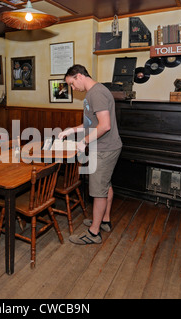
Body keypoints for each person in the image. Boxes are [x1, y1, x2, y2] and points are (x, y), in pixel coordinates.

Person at [59, 64, 122, 245]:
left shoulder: (96, 93)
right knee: (105, 185)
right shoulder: (92, 93)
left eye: (71, 83)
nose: (72, 88)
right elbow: (90, 123)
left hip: (104, 149)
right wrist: (71, 130)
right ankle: (104, 220)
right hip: (105, 146)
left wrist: (84, 141)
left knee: (98, 192)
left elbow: (104, 126)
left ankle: (93, 233)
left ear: (79, 76)